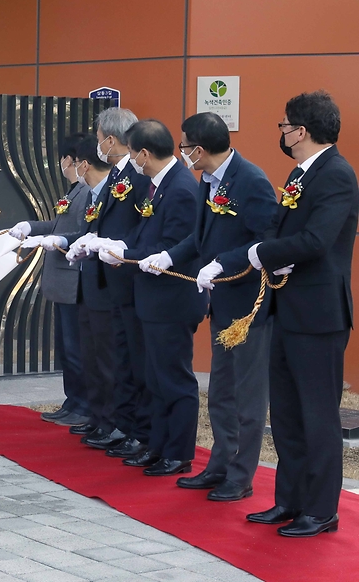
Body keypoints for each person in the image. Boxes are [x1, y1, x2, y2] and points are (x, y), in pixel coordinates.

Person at [143, 113, 277, 500]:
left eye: (185, 146)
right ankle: (219, 465)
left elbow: (265, 238)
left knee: (248, 399)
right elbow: (198, 237)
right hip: (222, 304)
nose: (183, 153)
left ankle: (241, 476)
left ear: (198, 149)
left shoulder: (250, 180)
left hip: (249, 306)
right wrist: (169, 256)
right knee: (220, 393)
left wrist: (224, 263)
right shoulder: (207, 179)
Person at [246, 91, 359, 537]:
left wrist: (266, 252)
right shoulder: (300, 172)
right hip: (287, 309)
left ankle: (321, 509)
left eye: (285, 125)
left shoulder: (336, 174)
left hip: (318, 315)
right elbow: (281, 225)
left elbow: (317, 240)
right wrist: (263, 250)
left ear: (302, 130)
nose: (283, 131)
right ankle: (289, 500)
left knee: (318, 417)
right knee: (288, 416)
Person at [98, 119, 207, 476]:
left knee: (173, 378)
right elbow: (145, 232)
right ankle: (157, 444)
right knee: (155, 377)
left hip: (172, 300)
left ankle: (177, 452)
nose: (130, 160)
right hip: (151, 298)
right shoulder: (157, 185)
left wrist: (125, 254)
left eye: (132, 153)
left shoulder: (180, 189)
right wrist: (120, 246)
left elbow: (173, 247)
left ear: (144, 153)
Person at [65, 108, 152, 456]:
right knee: (100, 357)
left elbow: (137, 226)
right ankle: (107, 419)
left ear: (111, 140)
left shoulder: (137, 176)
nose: (97, 145)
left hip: (123, 279)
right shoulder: (119, 174)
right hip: (102, 278)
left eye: (99, 138)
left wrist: (109, 244)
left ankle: (123, 424)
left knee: (120, 362)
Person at [9, 132, 91, 427]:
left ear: (70, 160)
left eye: (63, 159)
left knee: (76, 348)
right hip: (61, 284)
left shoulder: (87, 192)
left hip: (73, 283)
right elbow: (57, 224)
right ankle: (73, 401)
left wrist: (53, 237)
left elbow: (79, 233)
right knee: (67, 349)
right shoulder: (73, 192)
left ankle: (84, 405)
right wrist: (30, 227)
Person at [57, 136, 118, 447]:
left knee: (106, 362)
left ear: (81, 164)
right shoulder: (94, 193)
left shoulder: (109, 190)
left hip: (107, 289)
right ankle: (98, 418)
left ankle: (112, 423)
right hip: (88, 286)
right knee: (92, 358)